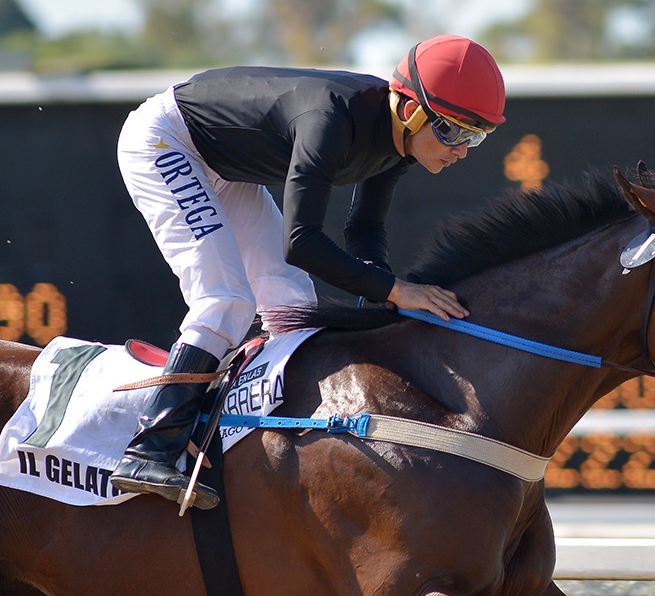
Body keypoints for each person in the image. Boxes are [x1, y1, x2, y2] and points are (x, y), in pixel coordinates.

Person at [110, 35, 507, 509]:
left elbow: (363, 230)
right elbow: (301, 242)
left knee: (292, 304)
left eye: (475, 136)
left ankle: (259, 442)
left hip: (222, 161)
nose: (462, 150)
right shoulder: (330, 121)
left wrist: (381, 302)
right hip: (166, 142)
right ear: (409, 110)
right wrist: (396, 290)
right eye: (454, 132)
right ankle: (148, 450)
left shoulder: (398, 139)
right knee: (225, 299)